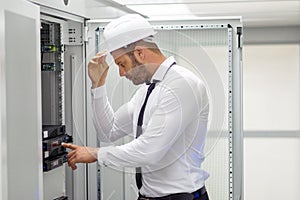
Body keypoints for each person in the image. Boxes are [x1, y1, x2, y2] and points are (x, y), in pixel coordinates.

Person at [62, 14, 210, 200]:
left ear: (140, 53)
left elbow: (150, 150)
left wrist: (96, 154)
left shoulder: (183, 84)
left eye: (122, 64)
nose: (122, 73)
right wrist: (98, 85)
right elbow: (108, 132)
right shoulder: (148, 91)